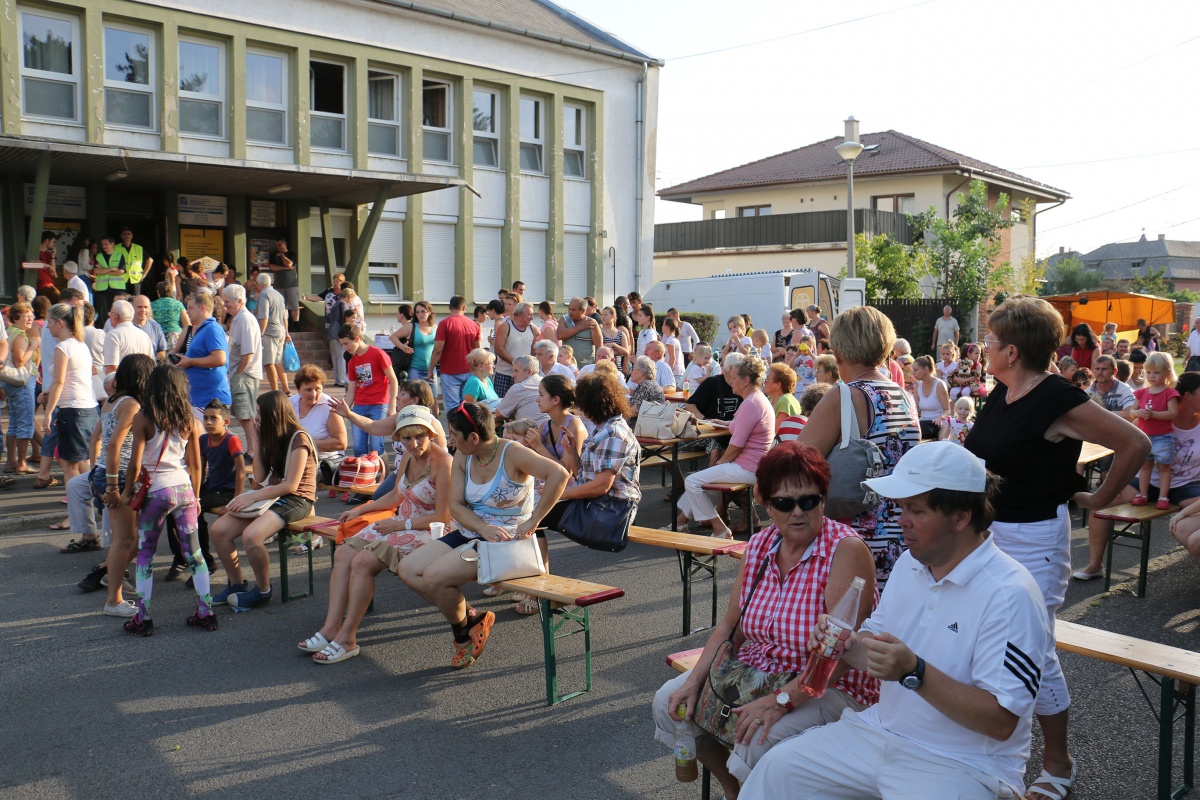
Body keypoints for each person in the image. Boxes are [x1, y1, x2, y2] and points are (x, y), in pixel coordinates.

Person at [741, 442, 1053, 800]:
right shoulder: (911, 563)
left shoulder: (1010, 593)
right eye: (901, 507)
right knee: (775, 771)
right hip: (877, 732)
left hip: (962, 763)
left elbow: (1001, 722)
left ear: (961, 517)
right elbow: (872, 649)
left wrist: (915, 672)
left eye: (915, 510)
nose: (900, 519)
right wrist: (844, 642)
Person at [965, 296, 1148, 799]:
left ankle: (1056, 763)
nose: (985, 347)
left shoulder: (1056, 398)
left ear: (1012, 351)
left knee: (1034, 652)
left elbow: (1135, 444)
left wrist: (1097, 499)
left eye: (991, 340)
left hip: (1035, 541)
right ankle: (1002, 755)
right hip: (990, 536)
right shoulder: (1002, 393)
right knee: (992, 646)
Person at [655, 442, 877, 797]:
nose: (798, 512)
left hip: (828, 685)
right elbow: (730, 627)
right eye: (784, 503)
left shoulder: (844, 550)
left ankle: (750, 789)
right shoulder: (760, 544)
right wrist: (695, 680)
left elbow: (839, 657)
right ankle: (735, 789)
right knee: (670, 702)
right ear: (765, 502)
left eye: (810, 500)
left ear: (824, 498)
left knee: (757, 735)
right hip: (757, 673)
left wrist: (782, 701)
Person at [396, 402, 568, 669]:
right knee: (407, 569)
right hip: (474, 533)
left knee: (433, 578)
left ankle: (462, 635)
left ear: (474, 437)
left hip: (504, 542)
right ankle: (470, 620)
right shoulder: (464, 455)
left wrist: (534, 520)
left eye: (454, 434)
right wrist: (481, 527)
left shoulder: (513, 453)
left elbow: (559, 474)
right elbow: (455, 505)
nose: (450, 440)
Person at [301, 406, 453, 664]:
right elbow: (396, 495)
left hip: (428, 529)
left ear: (430, 432)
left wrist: (400, 525)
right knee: (345, 551)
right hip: (402, 521)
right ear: (399, 439)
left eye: (419, 436)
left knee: (362, 562)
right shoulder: (408, 456)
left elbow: (443, 517)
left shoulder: (443, 462)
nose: (414, 444)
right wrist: (364, 508)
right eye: (406, 438)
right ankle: (331, 627)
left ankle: (347, 638)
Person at [795, 305, 920, 586]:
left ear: (837, 352)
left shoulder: (845, 395)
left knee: (848, 624)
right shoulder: (903, 395)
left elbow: (796, 463)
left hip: (856, 539)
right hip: (902, 536)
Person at [115, 364, 211, 636]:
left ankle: (142, 618)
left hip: (156, 492)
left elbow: (135, 464)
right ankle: (206, 612)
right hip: (184, 489)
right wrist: (197, 495)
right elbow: (195, 464)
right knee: (195, 553)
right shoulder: (190, 419)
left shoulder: (144, 418)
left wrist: (128, 492)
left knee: (145, 554)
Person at [1079, 372, 1200, 579]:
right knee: (1100, 503)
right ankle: (1094, 566)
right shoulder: (1155, 416)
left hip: (1186, 484)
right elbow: (1129, 444)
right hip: (1148, 482)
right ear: (1188, 396)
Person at [210, 391, 318, 610]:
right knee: (219, 531)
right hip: (275, 494)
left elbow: (291, 486)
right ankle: (236, 584)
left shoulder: (299, 438)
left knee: (251, 536)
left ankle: (262, 590)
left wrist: (252, 495)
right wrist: (258, 442)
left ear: (273, 413)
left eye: (259, 411)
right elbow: (259, 478)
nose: (255, 416)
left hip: (298, 499)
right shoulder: (271, 434)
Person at [677, 356, 773, 539]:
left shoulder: (750, 404)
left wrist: (721, 462)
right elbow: (741, 426)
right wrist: (721, 422)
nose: (730, 381)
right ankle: (681, 522)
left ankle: (718, 527)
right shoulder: (756, 399)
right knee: (698, 480)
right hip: (753, 465)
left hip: (747, 468)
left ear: (745, 381)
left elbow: (736, 445)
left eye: (734, 377)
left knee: (692, 481)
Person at [332, 379, 446, 501]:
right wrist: (349, 414)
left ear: (415, 400)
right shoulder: (401, 417)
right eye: (407, 437)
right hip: (401, 473)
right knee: (378, 497)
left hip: (424, 475)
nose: (397, 397)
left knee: (398, 502)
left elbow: (443, 459)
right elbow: (373, 426)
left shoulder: (432, 423)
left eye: (402, 394)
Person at [42, 303, 99, 502]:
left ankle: (79, 511)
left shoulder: (63, 347)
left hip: (73, 410)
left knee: (69, 466)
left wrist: (48, 413)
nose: (47, 327)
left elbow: (59, 381)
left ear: (59, 323)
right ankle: (97, 499)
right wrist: (49, 393)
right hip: (86, 407)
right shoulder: (79, 344)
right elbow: (71, 378)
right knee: (82, 461)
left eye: (49, 322)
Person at [194, 399, 243, 574]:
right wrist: (195, 494)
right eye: (205, 418)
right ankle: (192, 558)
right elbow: (200, 468)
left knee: (193, 510)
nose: (208, 422)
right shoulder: (203, 439)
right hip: (211, 488)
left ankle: (206, 564)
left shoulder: (232, 439)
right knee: (186, 506)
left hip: (227, 492)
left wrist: (235, 501)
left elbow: (241, 472)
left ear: (225, 422)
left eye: (213, 418)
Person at [1131, 351, 1180, 510]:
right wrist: (1137, 413)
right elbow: (1132, 412)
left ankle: (1163, 497)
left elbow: (1173, 414)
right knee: (1145, 466)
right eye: (1149, 372)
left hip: (1163, 438)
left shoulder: (1170, 393)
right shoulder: (1141, 392)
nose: (1151, 376)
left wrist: (1153, 414)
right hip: (1144, 436)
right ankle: (1143, 494)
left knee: (1164, 467)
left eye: (1156, 372)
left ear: (1167, 373)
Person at [340, 324, 399, 457]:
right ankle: (363, 476)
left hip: (379, 406)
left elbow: (393, 380)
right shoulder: (352, 362)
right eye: (342, 344)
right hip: (359, 407)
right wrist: (345, 411)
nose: (344, 347)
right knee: (359, 448)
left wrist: (392, 406)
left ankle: (384, 477)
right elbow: (351, 391)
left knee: (376, 448)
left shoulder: (378, 354)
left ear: (356, 338)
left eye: (346, 343)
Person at [221, 284, 263, 457]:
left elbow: (248, 352)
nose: (225, 306)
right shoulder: (239, 319)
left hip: (245, 374)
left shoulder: (245, 320)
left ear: (239, 301)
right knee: (243, 414)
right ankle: (253, 450)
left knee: (247, 415)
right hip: (241, 373)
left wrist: (238, 374)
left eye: (227, 302)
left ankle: (253, 451)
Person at [175, 292, 231, 417]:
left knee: (207, 436)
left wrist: (190, 362)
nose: (187, 311)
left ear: (202, 308)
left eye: (190, 307)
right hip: (201, 398)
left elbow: (220, 358)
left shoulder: (212, 328)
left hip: (210, 399)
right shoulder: (202, 329)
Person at [429, 295, 481, 411]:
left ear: (449, 307)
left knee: (452, 409)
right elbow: (478, 351)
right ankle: (467, 429)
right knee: (467, 407)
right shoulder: (474, 325)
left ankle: (452, 430)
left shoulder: (444, 323)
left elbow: (438, 350)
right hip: (469, 370)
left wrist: (430, 369)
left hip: (450, 371)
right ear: (464, 307)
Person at [4, 303, 38, 476]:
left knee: (15, 422)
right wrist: (32, 346)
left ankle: (11, 461)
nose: (31, 317)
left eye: (32, 314)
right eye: (27, 315)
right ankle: (21, 463)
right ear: (16, 317)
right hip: (22, 383)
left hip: (15, 382)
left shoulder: (10, 332)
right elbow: (19, 361)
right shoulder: (18, 334)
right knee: (25, 423)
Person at [291, 365, 348, 459]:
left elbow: (341, 443)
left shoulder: (330, 407)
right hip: (296, 458)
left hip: (325, 462)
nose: (313, 394)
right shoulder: (289, 403)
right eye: (308, 390)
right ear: (298, 389)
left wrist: (305, 444)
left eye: (317, 389)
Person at [102, 300, 153, 387]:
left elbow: (112, 369)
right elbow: (151, 363)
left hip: (124, 387)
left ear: (115, 316)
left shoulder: (113, 335)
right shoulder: (144, 335)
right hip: (144, 386)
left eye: (110, 314)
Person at [255, 272, 289, 394]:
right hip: (280, 330)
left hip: (270, 332)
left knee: (269, 363)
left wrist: (260, 334)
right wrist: (287, 332)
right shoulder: (279, 295)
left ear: (259, 284)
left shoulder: (264, 294)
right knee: (278, 362)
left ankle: (275, 390)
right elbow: (285, 317)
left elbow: (264, 317)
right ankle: (286, 389)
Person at [494, 301, 536, 396]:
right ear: (520, 314)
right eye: (529, 315)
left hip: (524, 377)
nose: (532, 318)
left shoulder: (533, 329)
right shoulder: (506, 327)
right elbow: (499, 348)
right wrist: (516, 363)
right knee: (501, 404)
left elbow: (533, 351)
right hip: (505, 375)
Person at [494, 355, 546, 426]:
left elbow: (499, 413)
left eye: (516, 371)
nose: (513, 375)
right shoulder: (546, 382)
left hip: (530, 432)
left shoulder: (519, 387)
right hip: (551, 430)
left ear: (529, 372)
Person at [912, 355, 951, 439]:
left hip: (938, 424)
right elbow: (914, 409)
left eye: (915, 370)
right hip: (924, 423)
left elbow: (947, 410)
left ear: (925, 370)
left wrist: (940, 417)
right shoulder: (917, 386)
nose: (913, 373)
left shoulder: (940, 385)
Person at [557, 296, 601, 367]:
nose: (570, 312)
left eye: (573, 310)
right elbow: (560, 335)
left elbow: (599, 346)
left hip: (586, 367)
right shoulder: (564, 319)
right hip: (567, 367)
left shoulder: (591, 323)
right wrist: (580, 327)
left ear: (583, 311)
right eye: (569, 309)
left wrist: (597, 366)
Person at [268, 237, 300, 325]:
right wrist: (285, 268)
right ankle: (284, 324)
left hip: (291, 284)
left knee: (294, 306)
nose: (278, 247)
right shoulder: (273, 255)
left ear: (284, 244)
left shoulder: (292, 254)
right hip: (279, 285)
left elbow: (289, 263)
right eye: (276, 245)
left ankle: (296, 324)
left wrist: (282, 255)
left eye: (280, 245)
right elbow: (272, 267)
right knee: (282, 307)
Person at [764, 363, 803, 432]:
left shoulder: (785, 400)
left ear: (778, 385)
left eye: (767, 380)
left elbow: (775, 431)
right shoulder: (769, 399)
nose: (764, 383)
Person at [626, 355, 666, 420]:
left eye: (633, 369)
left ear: (641, 372)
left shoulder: (645, 386)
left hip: (642, 428)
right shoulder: (651, 384)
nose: (630, 372)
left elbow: (632, 412)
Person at [151, 282, 188, 351]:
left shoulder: (152, 305)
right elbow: (187, 324)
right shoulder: (178, 304)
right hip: (175, 335)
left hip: (158, 336)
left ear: (158, 292)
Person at [130, 295, 168, 360]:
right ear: (132, 308)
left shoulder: (155, 326)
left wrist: (154, 359)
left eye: (146, 307)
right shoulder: (128, 327)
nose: (143, 310)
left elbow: (162, 351)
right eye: (139, 307)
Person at [114, 226, 150, 292]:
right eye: (124, 234)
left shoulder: (138, 248)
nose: (127, 235)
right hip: (121, 279)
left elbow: (150, 260)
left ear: (132, 236)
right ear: (121, 236)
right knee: (122, 300)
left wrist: (144, 274)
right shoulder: (116, 248)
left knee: (136, 300)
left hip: (136, 279)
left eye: (129, 234)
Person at [600, 306, 632, 373]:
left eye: (605, 315)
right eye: (602, 315)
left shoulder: (621, 334)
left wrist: (614, 345)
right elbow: (599, 349)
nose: (603, 317)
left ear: (613, 316)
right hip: (602, 366)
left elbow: (626, 352)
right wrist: (617, 351)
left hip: (617, 367)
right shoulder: (599, 332)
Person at [661, 317, 686, 385]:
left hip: (674, 373)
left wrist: (668, 371)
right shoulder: (675, 339)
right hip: (679, 372)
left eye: (663, 325)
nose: (662, 327)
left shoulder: (670, 341)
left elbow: (672, 357)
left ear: (667, 327)